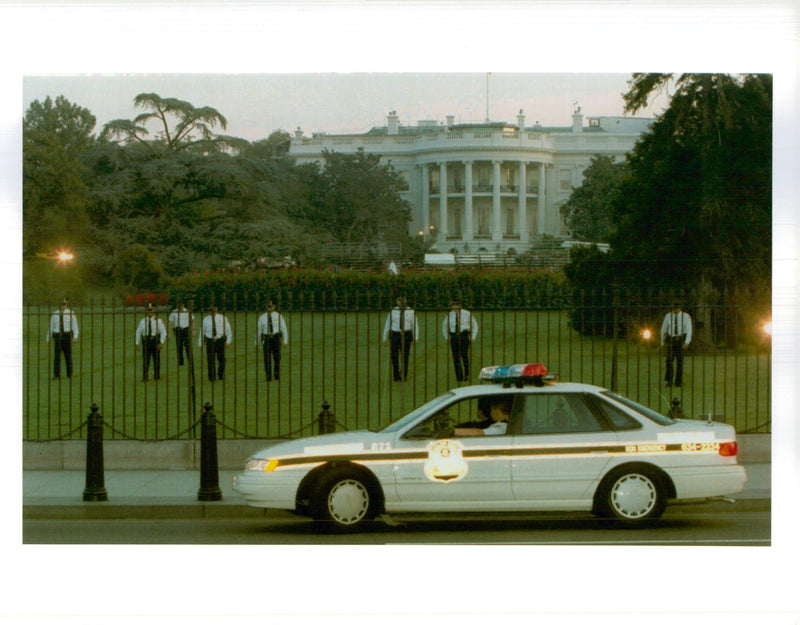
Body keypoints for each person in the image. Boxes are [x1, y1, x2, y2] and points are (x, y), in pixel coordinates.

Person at [382, 295, 418, 382]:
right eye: (399, 300)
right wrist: (384, 337)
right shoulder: (393, 311)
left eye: (402, 300)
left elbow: (414, 325)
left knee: (405, 356)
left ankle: (403, 375)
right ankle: (396, 375)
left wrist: (416, 336)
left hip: (406, 335)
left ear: (405, 301)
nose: (400, 302)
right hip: (395, 335)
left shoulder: (410, 311)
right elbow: (387, 324)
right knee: (394, 356)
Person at [441, 298, 478, 381]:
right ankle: (459, 376)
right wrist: (446, 337)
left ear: (460, 305)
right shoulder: (449, 315)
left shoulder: (467, 314)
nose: (454, 307)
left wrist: (473, 337)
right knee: (456, 357)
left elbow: (474, 325)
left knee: (464, 355)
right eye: (453, 305)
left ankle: (467, 373)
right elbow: (444, 327)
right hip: (454, 336)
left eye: (456, 305)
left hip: (464, 336)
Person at [660, 302, 692, 387]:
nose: (675, 310)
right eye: (674, 308)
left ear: (680, 308)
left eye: (677, 308)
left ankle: (678, 382)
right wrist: (662, 342)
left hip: (680, 339)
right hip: (671, 339)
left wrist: (687, 341)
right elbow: (664, 329)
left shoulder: (686, 316)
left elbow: (689, 329)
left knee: (679, 362)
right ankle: (669, 381)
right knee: (669, 361)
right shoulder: (668, 316)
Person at [255, 301, 288, 381]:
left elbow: (283, 328)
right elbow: (259, 331)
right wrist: (256, 342)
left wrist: (285, 340)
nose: (269, 308)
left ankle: (277, 375)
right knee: (267, 358)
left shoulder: (278, 316)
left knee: (277, 358)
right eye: (268, 306)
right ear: (266, 307)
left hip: (276, 338)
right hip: (267, 339)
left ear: (274, 307)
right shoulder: (262, 318)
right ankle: (268, 377)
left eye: (271, 306)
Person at [46, 297, 79, 379]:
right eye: (62, 304)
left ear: (66, 305)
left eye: (64, 304)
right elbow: (51, 327)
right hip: (57, 336)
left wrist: (75, 336)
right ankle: (56, 375)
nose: (63, 306)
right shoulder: (55, 314)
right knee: (57, 357)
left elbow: (75, 326)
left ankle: (69, 374)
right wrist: (48, 338)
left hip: (66, 336)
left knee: (68, 356)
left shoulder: (71, 313)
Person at [199, 305, 232, 382]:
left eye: (214, 310)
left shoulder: (223, 318)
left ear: (217, 309)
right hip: (210, 341)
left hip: (220, 340)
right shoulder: (205, 320)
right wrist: (200, 343)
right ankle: (212, 377)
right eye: (211, 310)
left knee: (222, 359)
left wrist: (228, 341)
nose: (213, 312)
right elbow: (202, 332)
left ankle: (220, 374)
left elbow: (228, 331)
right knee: (210, 360)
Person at [134, 303, 167, 381]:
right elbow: (138, 332)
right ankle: (145, 377)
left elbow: (163, 332)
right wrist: (137, 343)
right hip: (146, 341)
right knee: (146, 360)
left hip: (155, 341)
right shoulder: (143, 321)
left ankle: (157, 376)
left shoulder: (158, 321)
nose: (150, 312)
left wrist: (161, 342)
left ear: (154, 311)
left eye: (151, 310)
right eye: (148, 310)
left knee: (156, 359)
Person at [167, 301, 194, 366]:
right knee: (179, 348)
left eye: (181, 306)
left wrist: (193, 330)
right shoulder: (174, 312)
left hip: (186, 330)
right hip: (178, 331)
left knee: (188, 347)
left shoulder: (187, 311)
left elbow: (192, 320)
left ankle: (190, 361)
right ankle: (180, 362)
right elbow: (170, 322)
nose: (180, 308)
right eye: (179, 306)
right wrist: (169, 333)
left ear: (183, 305)